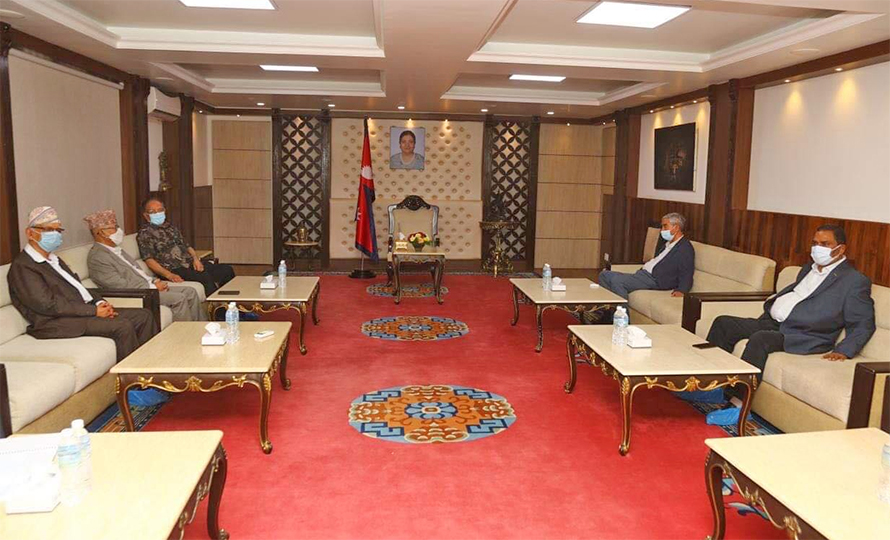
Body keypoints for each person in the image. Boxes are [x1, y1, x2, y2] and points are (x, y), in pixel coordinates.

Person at [703, 224, 876, 425]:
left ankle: (739, 405)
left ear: (841, 248)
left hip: (805, 335)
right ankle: (711, 387)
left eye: (825, 244)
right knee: (724, 323)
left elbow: (863, 322)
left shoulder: (854, 281)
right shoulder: (808, 269)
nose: (817, 248)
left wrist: (844, 350)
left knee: (761, 340)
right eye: (815, 243)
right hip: (774, 323)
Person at [8, 206, 155, 362]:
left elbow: (78, 287)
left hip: (79, 313)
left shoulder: (54, 260)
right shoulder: (23, 266)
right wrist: (93, 311)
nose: (55, 234)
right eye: (49, 230)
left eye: (58, 230)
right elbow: (47, 305)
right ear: (30, 233)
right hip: (54, 322)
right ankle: (133, 375)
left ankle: (151, 367)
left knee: (143, 315)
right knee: (122, 326)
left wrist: (99, 302)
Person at [85, 209, 205, 322]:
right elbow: (119, 285)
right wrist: (152, 288)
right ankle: (183, 335)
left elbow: (138, 273)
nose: (119, 231)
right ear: (100, 232)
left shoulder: (117, 250)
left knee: (190, 291)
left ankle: (201, 331)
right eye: (114, 228)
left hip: (148, 287)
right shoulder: (98, 257)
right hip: (140, 294)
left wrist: (154, 281)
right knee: (179, 298)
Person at [137, 198, 234, 296]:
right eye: (152, 212)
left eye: (160, 210)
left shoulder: (171, 228)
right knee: (204, 277)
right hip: (174, 269)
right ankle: (216, 305)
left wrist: (196, 259)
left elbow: (187, 247)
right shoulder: (145, 234)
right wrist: (169, 275)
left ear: (164, 211)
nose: (157, 213)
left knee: (226, 269)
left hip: (189, 264)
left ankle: (230, 302)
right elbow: (149, 260)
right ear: (146, 215)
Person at [598, 212, 695, 299]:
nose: (662, 230)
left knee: (617, 281)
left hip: (655, 279)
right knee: (604, 275)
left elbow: (687, 272)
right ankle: (608, 309)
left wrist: (682, 290)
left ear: (676, 228)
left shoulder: (685, 248)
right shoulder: (667, 244)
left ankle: (623, 313)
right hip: (643, 275)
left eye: (665, 226)